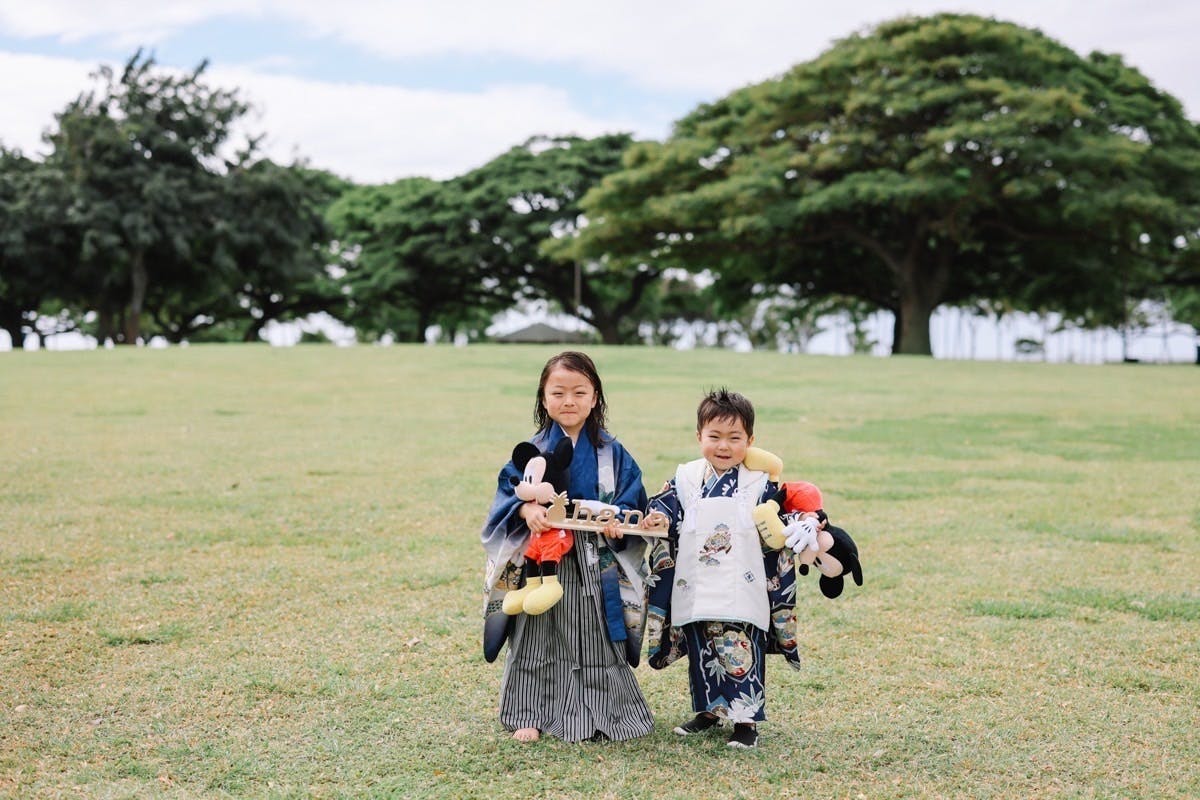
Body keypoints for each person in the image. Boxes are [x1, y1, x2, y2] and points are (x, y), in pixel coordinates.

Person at [481, 351, 654, 743]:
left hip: (594, 563)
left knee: (595, 636)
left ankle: (606, 712)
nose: (569, 401)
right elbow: (506, 497)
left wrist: (618, 523)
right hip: (541, 562)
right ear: (544, 399)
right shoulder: (530, 450)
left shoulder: (613, 453)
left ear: (595, 398)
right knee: (535, 635)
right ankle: (528, 712)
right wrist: (526, 510)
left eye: (579, 392)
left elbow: (633, 503)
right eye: (558, 393)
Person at [643, 388, 819, 749]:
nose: (723, 446)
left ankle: (746, 720)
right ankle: (709, 711)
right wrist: (658, 516)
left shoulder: (759, 482)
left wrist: (804, 523)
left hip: (743, 580)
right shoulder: (687, 476)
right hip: (697, 579)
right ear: (699, 436)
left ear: (750, 441)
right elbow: (665, 505)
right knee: (702, 647)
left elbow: (779, 518)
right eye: (714, 436)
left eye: (734, 438)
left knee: (740, 647)